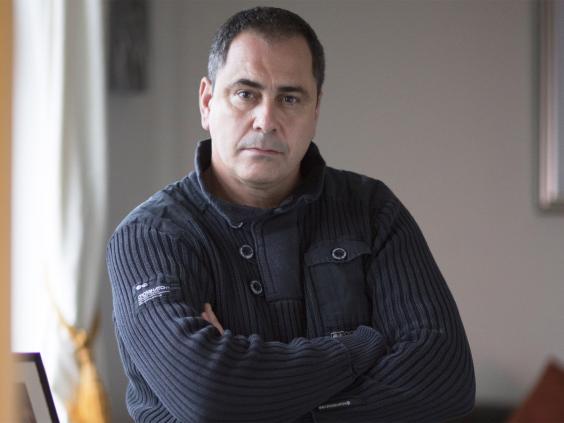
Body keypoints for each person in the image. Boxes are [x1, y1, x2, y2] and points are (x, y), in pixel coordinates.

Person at [107, 6, 475, 422]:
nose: (266, 120)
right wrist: (359, 347)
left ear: (315, 110)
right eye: (246, 94)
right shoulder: (150, 237)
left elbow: (447, 382)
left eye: (289, 98)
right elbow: (208, 396)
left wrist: (254, 397)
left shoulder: (373, 210)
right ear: (207, 103)